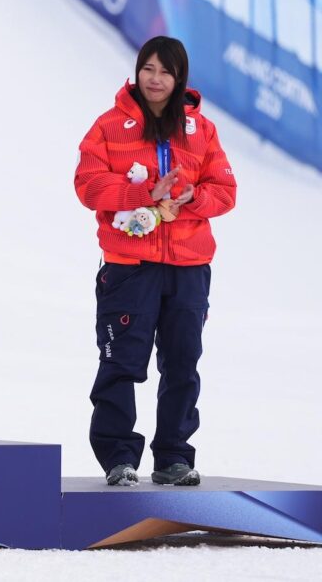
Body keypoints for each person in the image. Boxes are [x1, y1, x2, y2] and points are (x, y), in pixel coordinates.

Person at [74, 36, 236, 486]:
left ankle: (173, 459)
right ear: (137, 70)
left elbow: (226, 192)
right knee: (121, 362)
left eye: (166, 71)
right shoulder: (110, 126)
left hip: (188, 267)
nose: (156, 79)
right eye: (148, 69)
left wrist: (190, 197)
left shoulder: (201, 131)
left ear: (179, 77)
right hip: (130, 267)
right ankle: (118, 458)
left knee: (182, 364)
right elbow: (87, 185)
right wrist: (144, 193)